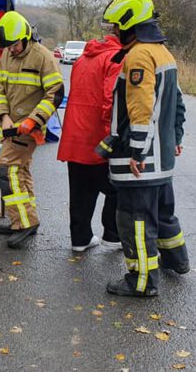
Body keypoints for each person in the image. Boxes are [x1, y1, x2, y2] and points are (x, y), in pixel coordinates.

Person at [100, 0, 189, 298]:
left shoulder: (139, 56)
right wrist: (175, 138)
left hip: (141, 161)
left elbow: (141, 107)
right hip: (162, 160)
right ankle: (177, 260)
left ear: (130, 24)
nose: (114, 32)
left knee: (135, 221)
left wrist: (137, 150)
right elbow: (177, 103)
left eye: (116, 26)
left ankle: (141, 281)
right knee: (163, 214)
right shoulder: (163, 53)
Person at [0, 11, 65, 248]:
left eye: (13, 45)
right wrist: (3, 116)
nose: (10, 50)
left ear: (26, 36)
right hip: (10, 126)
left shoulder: (42, 57)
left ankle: (23, 222)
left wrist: (33, 120)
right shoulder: (7, 54)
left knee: (5, 169)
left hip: (28, 128)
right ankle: (24, 219)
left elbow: (55, 93)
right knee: (20, 170)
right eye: (7, 46)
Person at [57, 27, 122, 252]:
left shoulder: (83, 58)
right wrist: (112, 138)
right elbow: (109, 101)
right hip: (97, 138)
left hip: (75, 136)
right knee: (117, 188)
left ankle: (80, 239)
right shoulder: (116, 58)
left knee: (80, 190)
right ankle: (113, 234)